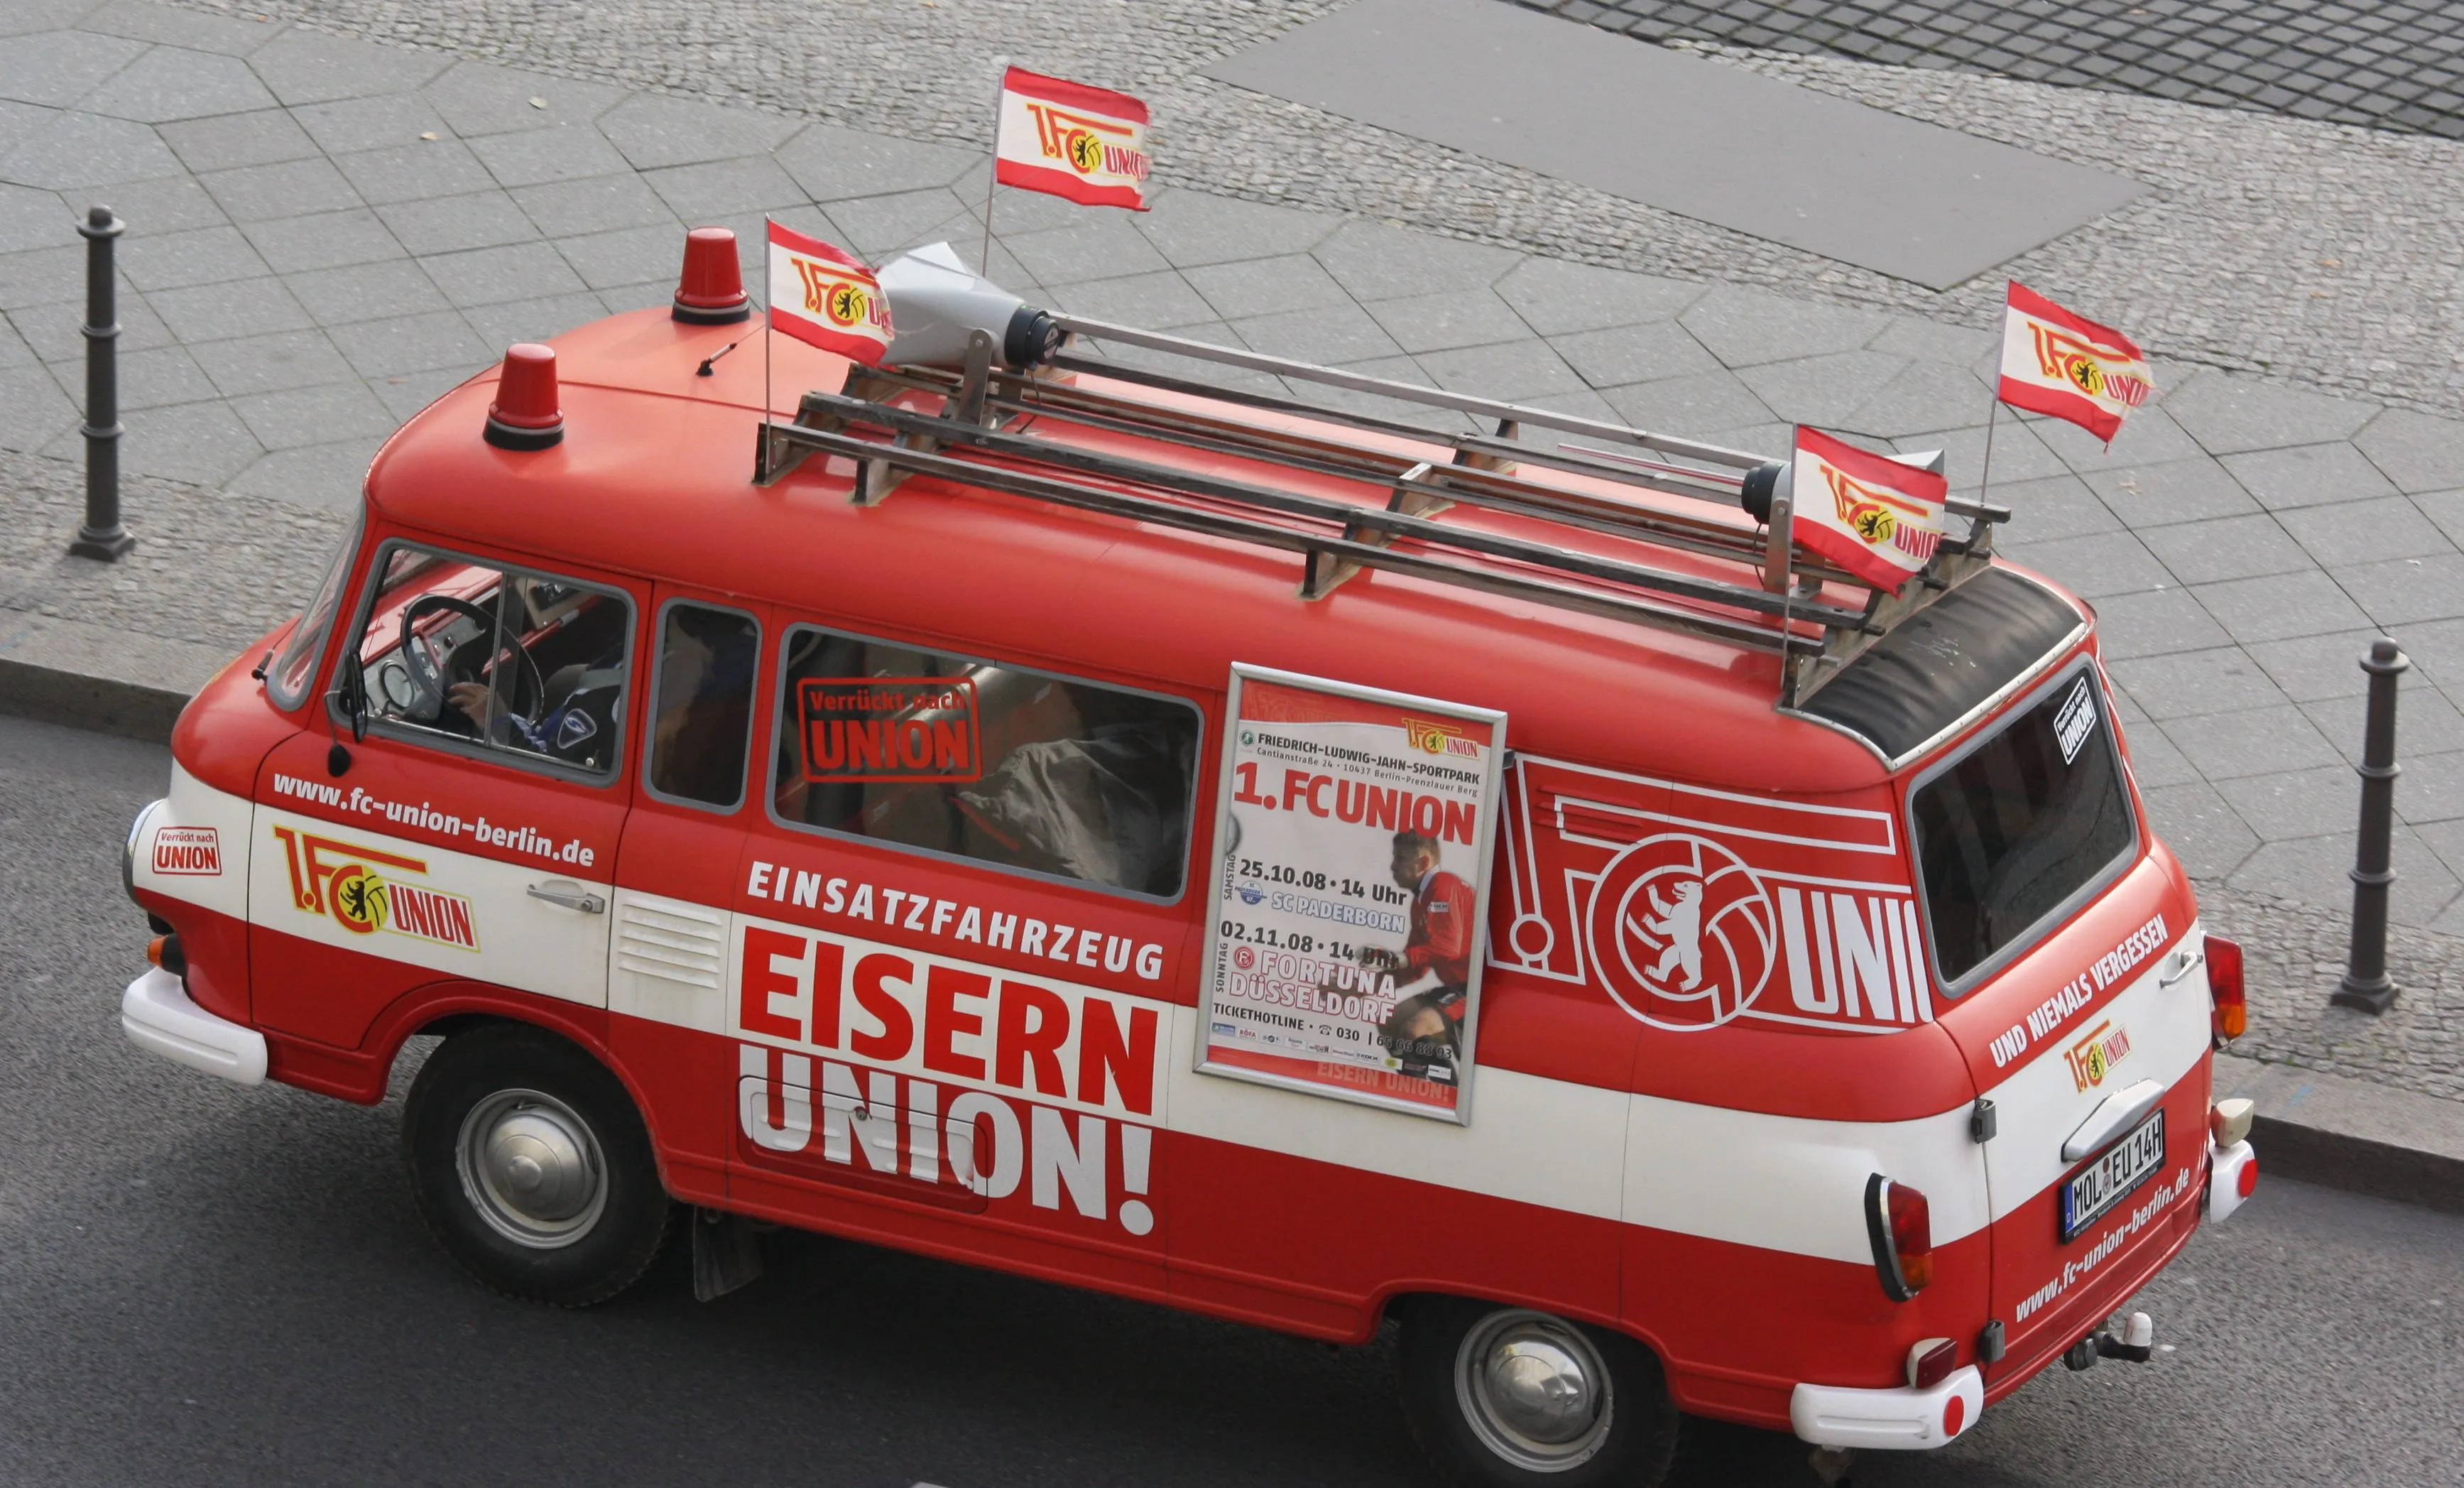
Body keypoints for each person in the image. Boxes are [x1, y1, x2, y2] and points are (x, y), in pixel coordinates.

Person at [1361, 830, 1475, 1080]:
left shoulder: (1445, 885)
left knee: (1416, 1028)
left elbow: (1448, 947)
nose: (1392, 866)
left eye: (1401, 858)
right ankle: (1420, 1089)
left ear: (1423, 863)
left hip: (1477, 992)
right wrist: (1364, 986)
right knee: (1389, 1018)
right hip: (1457, 989)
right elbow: (1416, 967)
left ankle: (1445, 1095)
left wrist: (1399, 958)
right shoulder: (1421, 900)